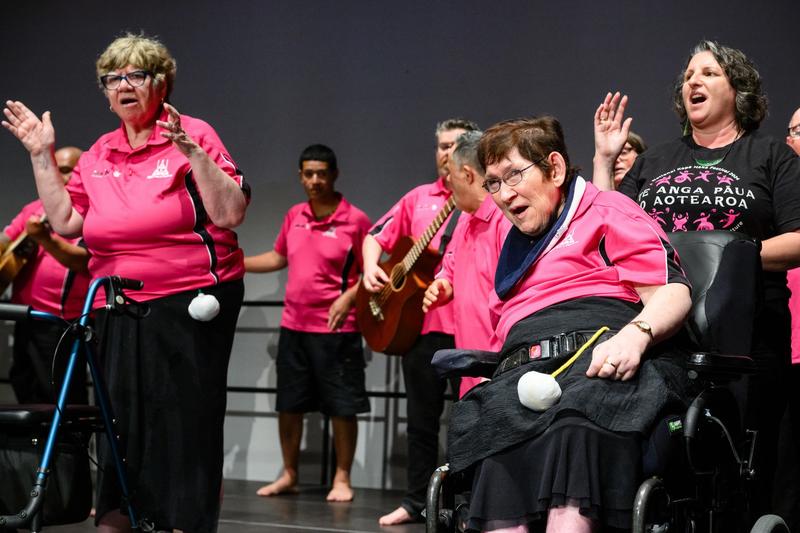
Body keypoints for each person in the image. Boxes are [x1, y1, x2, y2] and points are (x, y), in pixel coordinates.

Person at [2, 33, 249, 533]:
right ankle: (122, 513)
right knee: (120, 419)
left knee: (181, 420)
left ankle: (181, 519)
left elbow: (230, 213)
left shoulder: (192, 132)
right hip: (116, 304)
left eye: (136, 75)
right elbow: (67, 221)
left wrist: (191, 151)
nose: (123, 85)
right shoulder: (100, 152)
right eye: (113, 78)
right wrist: (39, 154)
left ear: (161, 83)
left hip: (190, 301)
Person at [447, 116, 691, 532]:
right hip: (524, 373)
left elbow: (672, 292)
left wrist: (636, 335)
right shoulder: (514, 248)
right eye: (493, 183)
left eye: (514, 176)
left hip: (600, 364)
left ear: (554, 169)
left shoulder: (607, 210)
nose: (503, 195)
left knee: (575, 423)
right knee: (495, 431)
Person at [592, 40, 800, 526]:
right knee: (667, 459)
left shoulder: (770, 155)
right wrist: (604, 162)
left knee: (744, 474)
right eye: (688, 75)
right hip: (663, 333)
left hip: (748, 335)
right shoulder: (655, 160)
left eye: (708, 73)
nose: (693, 82)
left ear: (738, 89)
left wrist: (727, 262)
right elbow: (606, 231)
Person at [362, 118, 479, 525]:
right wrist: (369, 268)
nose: (445, 152)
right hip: (420, 327)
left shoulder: (482, 198)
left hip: (468, 327)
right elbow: (375, 235)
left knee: (469, 418)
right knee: (421, 423)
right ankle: (417, 502)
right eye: (440, 145)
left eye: (454, 146)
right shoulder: (418, 198)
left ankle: (466, 502)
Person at [244, 144, 371, 502]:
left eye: (321, 173)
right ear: (300, 176)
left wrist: (348, 297)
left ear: (334, 175)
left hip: (336, 330)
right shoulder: (294, 214)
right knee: (290, 403)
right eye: (308, 174)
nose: (315, 181)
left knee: (342, 407)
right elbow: (277, 256)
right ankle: (289, 474)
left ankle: (342, 478)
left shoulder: (355, 219)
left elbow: (374, 271)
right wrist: (235, 262)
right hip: (293, 327)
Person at [422, 130, 511, 398]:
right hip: (469, 368)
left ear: (468, 174)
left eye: (451, 174)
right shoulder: (464, 219)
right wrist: (442, 286)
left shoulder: (504, 221)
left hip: (498, 370)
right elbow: (449, 271)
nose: (447, 182)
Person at [2, 146, 91, 404]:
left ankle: (67, 445)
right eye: (55, 170)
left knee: (61, 398)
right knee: (24, 386)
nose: (59, 177)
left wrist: (45, 239)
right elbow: (6, 242)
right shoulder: (35, 208)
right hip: (24, 317)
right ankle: (37, 445)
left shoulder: (89, 213)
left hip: (61, 324)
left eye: (66, 171)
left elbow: (84, 263)